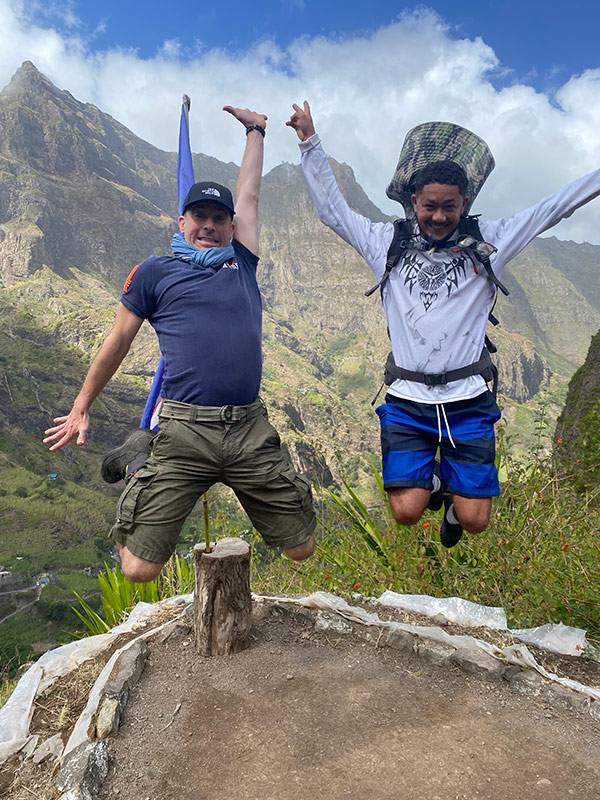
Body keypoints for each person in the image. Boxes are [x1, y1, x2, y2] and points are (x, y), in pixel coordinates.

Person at [287, 100, 600, 547]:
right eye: (429, 206)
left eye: (449, 207)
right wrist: (310, 142)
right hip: (408, 398)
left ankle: (455, 503)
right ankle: (434, 484)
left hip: (467, 399)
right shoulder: (385, 243)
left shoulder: (489, 241)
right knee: (406, 511)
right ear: (414, 201)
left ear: (465, 202)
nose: (438, 217)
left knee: (474, 520)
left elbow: (554, 208)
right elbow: (333, 211)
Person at [44, 105, 316, 581]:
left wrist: (256, 132)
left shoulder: (243, 263)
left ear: (231, 226)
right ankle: (142, 460)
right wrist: (82, 404)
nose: (209, 225)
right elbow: (117, 341)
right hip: (183, 429)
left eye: (218, 218)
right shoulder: (154, 273)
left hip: (247, 426)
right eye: (199, 216)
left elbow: (249, 195)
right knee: (138, 568)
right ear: (182, 221)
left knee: (302, 548)